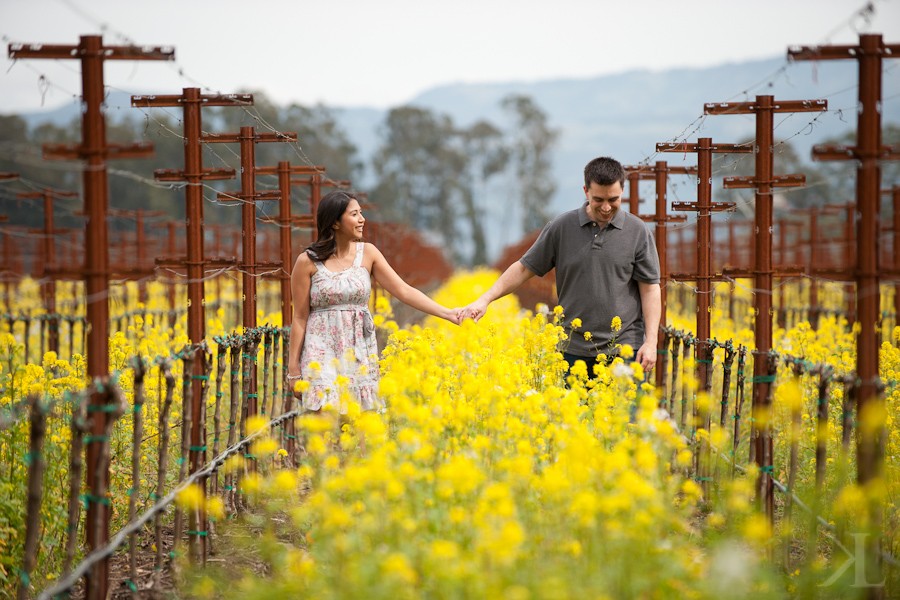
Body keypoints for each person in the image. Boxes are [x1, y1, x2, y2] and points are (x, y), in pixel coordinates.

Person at [462, 156, 661, 376]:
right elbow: (523, 268)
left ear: (622, 191)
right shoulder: (561, 227)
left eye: (613, 199)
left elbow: (650, 288)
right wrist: (485, 299)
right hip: (572, 350)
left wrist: (651, 342)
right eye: (598, 199)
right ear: (586, 191)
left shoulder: (638, 231)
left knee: (624, 410)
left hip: (625, 350)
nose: (606, 207)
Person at [287, 191, 460, 414]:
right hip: (320, 352)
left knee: (361, 431)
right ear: (335, 223)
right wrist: (293, 369)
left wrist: (447, 313)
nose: (362, 219)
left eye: (361, 213)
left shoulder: (368, 253)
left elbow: (404, 291)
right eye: (355, 214)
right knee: (324, 433)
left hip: (358, 350)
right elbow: (300, 318)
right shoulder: (307, 262)